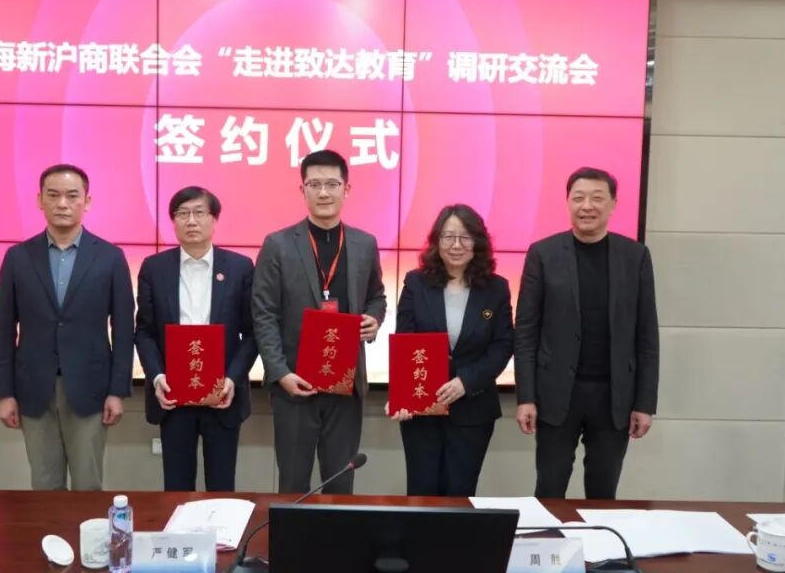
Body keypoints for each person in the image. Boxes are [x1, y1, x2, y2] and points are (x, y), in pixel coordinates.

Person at [514, 167, 659, 499]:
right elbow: (525, 332)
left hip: (613, 398)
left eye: (597, 198)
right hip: (555, 395)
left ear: (613, 204)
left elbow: (647, 335)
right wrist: (526, 397)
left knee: (603, 492)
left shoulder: (635, 256)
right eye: (578, 198)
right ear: (568, 202)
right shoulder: (543, 254)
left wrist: (644, 403)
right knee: (549, 489)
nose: (587, 206)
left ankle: (599, 536)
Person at [0, 163, 134, 491]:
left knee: (88, 485)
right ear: (39, 200)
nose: (62, 204)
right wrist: (5, 393)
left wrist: (117, 391)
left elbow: (124, 330)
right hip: (33, 389)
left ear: (87, 201)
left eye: (72, 196)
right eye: (53, 195)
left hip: (91, 389)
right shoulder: (18, 257)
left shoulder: (110, 257)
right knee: (44, 486)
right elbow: (3, 330)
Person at [252, 149, 387, 495]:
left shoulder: (365, 244)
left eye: (332, 184)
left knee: (340, 483)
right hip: (295, 385)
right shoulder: (278, 244)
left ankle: (337, 536)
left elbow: (377, 296)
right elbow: (264, 314)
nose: (323, 192)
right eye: (314, 184)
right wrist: (280, 373)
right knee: (293, 484)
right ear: (303, 190)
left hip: (346, 386)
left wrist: (374, 319)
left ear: (346, 189)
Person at [134, 186, 257, 492]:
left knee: (221, 488)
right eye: (182, 213)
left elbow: (252, 333)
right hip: (173, 396)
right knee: (176, 489)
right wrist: (157, 376)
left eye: (199, 213)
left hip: (223, 396)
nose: (191, 221)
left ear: (214, 219)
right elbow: (144, 331)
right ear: (173, 221)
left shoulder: (240, 267)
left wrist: (232, 378)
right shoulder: (154, 268)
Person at [388, 204, 514, 496]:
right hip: (422, 408)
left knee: (460, 493)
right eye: (448, 237)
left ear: (478, 241)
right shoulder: (416, 283)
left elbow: (503, 344)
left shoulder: (496, 288)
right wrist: (401, 395)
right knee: (421, 493)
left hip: (473, 409)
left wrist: (466, 381)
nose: (456, 245)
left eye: (465, 237)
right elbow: (405, 340)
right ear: (436, 241)